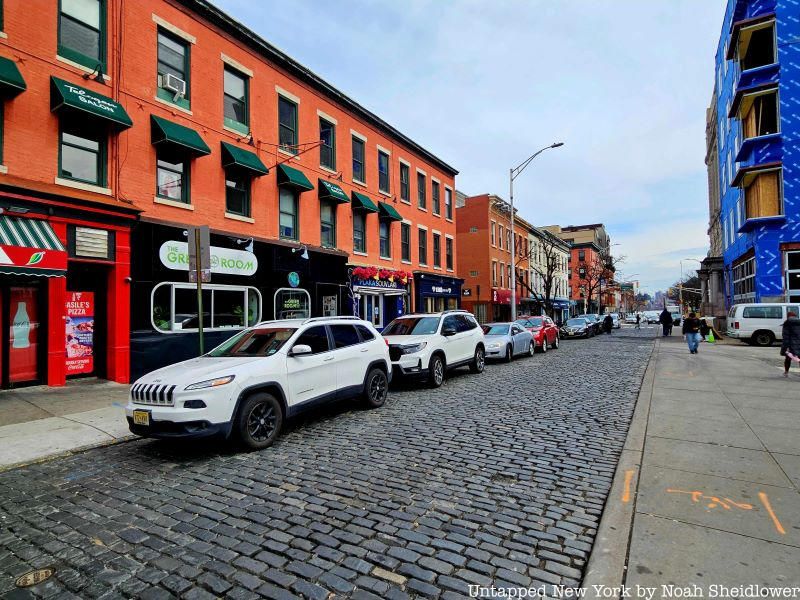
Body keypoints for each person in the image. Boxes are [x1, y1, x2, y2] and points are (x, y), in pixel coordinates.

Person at [780, 311, 800, 377]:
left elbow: (785, 336)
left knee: (788, 358)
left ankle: (786, 372)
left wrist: (785, 346)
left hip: (791, 344)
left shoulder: (787, 323)